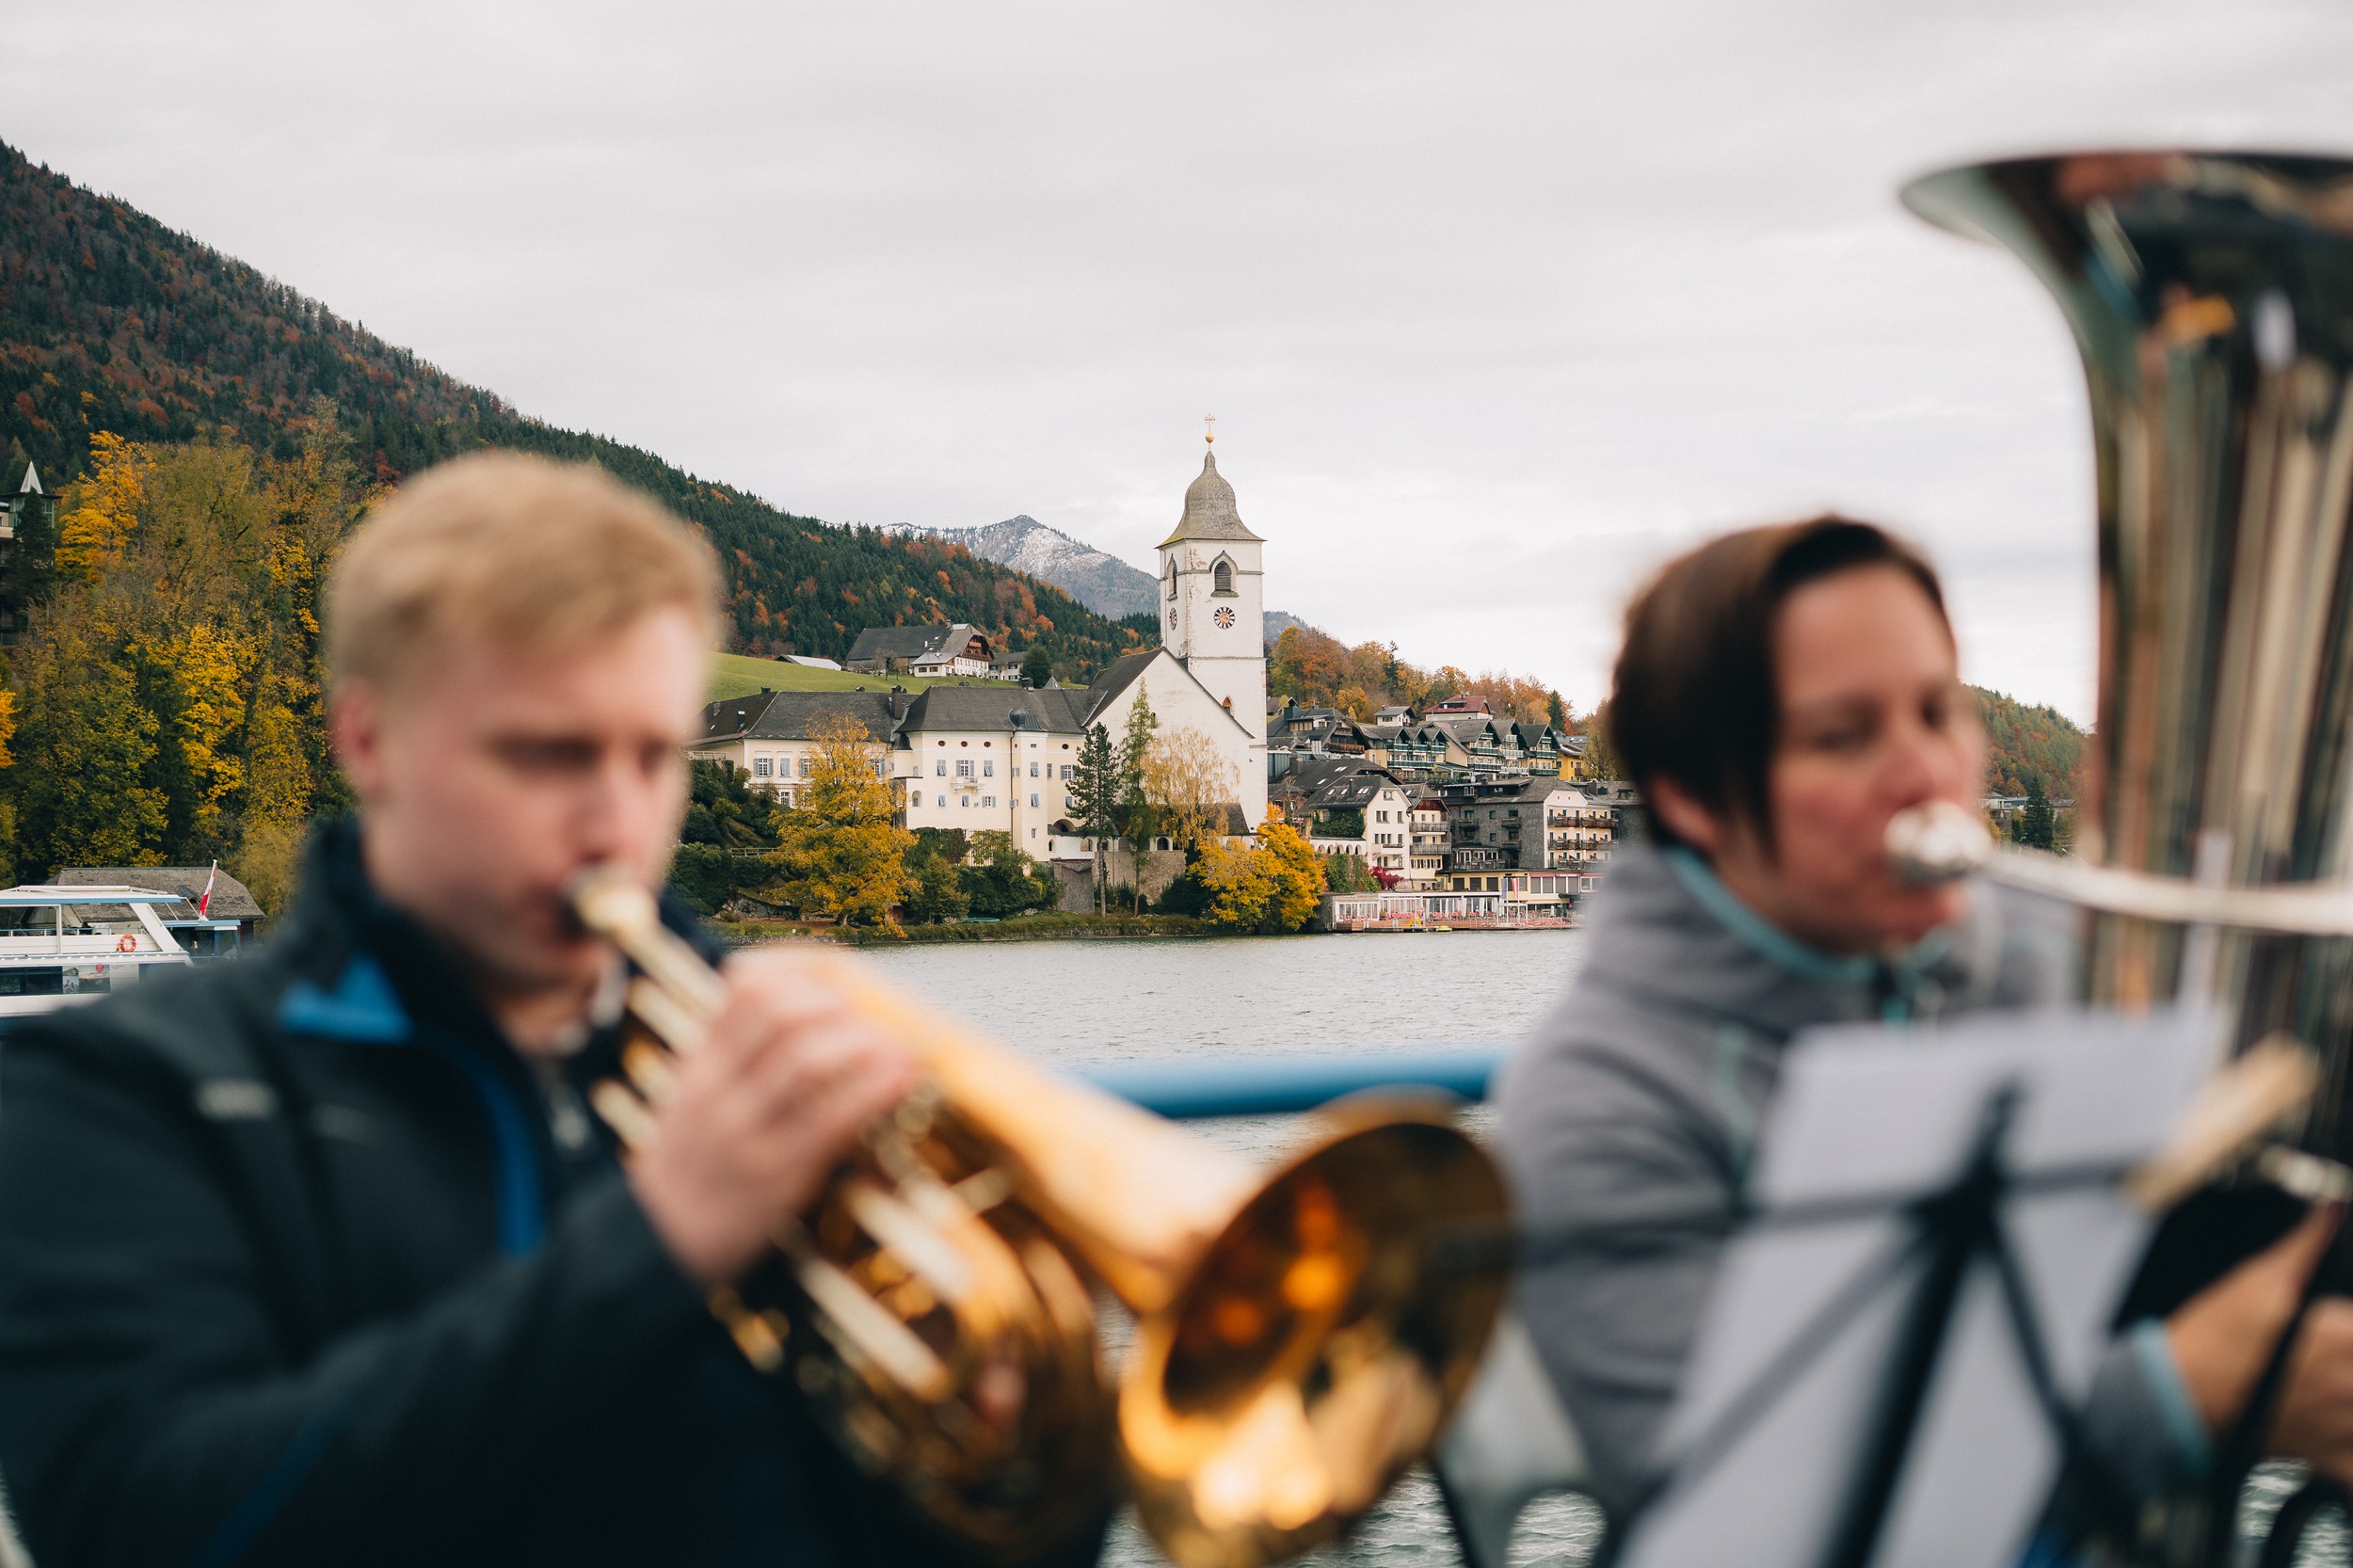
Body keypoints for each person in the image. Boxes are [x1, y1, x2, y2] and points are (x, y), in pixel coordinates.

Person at [0, 455, 1099, 1568]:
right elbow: (138, 1522)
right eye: (548, 753)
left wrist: (1017, 1447)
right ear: (368, 738)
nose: (616, 821)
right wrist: (657, 1241)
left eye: (653, 756)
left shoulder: (766, 1069)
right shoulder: (119, 1088)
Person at [1497, 516, 2353, 1539]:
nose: (1927, 772)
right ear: (1690, 796)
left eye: (1938, 709)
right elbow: (1751, 1518)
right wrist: (2184, 1392)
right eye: (1843, 735)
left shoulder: (2061, 950)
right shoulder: (1594, 1106)